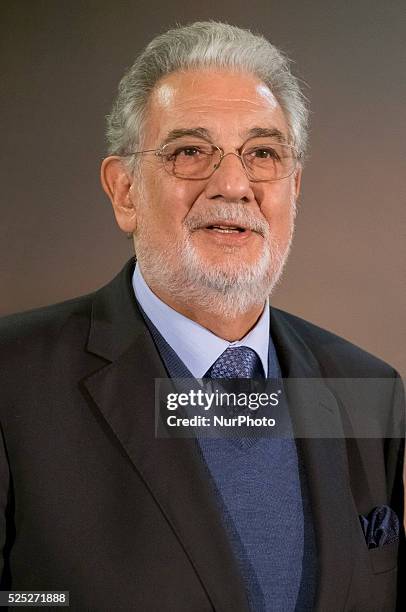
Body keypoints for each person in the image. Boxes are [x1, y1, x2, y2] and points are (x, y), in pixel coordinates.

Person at [0, 21, 404, 612]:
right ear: (125, 191)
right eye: (190, 151)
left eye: (262, 153)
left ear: (293, 187)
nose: (234, 184)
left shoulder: (370, 393)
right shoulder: (13, 382)